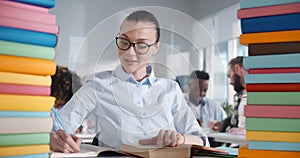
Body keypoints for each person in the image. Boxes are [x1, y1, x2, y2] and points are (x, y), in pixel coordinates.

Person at [50, 10, 207, 153]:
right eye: (124, 42)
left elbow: (201, 140)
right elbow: (56, 127)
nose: (130, 52)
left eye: (141, 45)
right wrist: (55, 139)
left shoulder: (170, 89)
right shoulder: (99, 85)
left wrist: (181, 139)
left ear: (155, 47)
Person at [224, 56, 248, 135]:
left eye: (230, 76)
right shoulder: (241, 96)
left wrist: (244, 132)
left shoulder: (256, 95)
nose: (230, 82)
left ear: (237, 69)